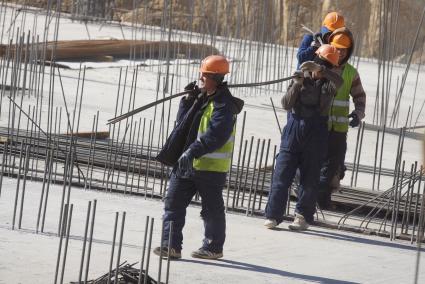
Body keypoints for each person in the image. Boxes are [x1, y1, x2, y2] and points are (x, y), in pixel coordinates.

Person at [153, 55, 244, 260]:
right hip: (187, 164)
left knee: (211, 211)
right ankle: (171, 246)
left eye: (203, 75)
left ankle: (213, 248)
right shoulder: (201, 99)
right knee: (173, 204)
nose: (200, 78)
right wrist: (187, 101)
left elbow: (216, 135)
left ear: (213, 77)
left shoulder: (223, 105)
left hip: (209, 167)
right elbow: (182, 125)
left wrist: (192, 151)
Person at [264, 45, 343, 231]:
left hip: (316, 133)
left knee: (310, 177)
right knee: (282, 174)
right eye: (321, 63)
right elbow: (285, 104)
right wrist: (297, 84)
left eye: (328, 66)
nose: (323, 68)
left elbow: (339, 83)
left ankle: (302, 217)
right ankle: (273, 215)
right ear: (315, 60)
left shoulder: (329, 83)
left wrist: (323, 71)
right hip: (294, 130)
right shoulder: (301, 77)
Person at [317, 28, 366, 209]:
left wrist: (358, 114)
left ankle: (322, 200)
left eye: (344, 50)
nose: (340, 52)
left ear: (349, 51)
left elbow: (360, 96)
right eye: (337, 48)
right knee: (314, 164)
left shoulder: (351, 73)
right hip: (318, 126)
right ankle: (310, 200)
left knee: (333, 168)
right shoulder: (320, 66)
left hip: (338, 130)